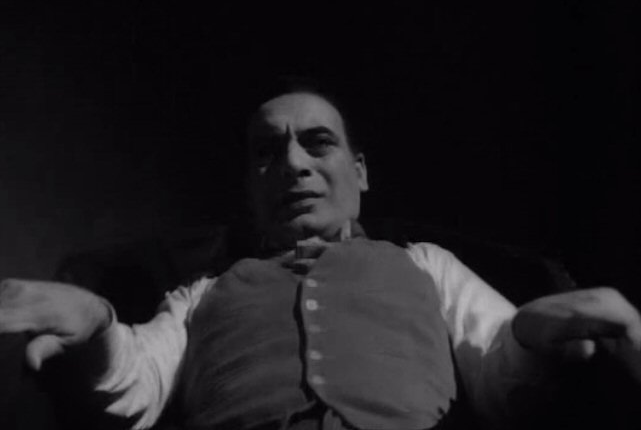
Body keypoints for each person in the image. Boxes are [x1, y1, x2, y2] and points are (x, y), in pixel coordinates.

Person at [1, 80, 640, 430]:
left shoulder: (427, 263)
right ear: (250, 189)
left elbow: (500, 373)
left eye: (317, 143)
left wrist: (528, 335)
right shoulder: (203, 291)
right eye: (267, 153)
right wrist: (98, 326)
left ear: (359, 172)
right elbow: (138, 381)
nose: (293, 164)